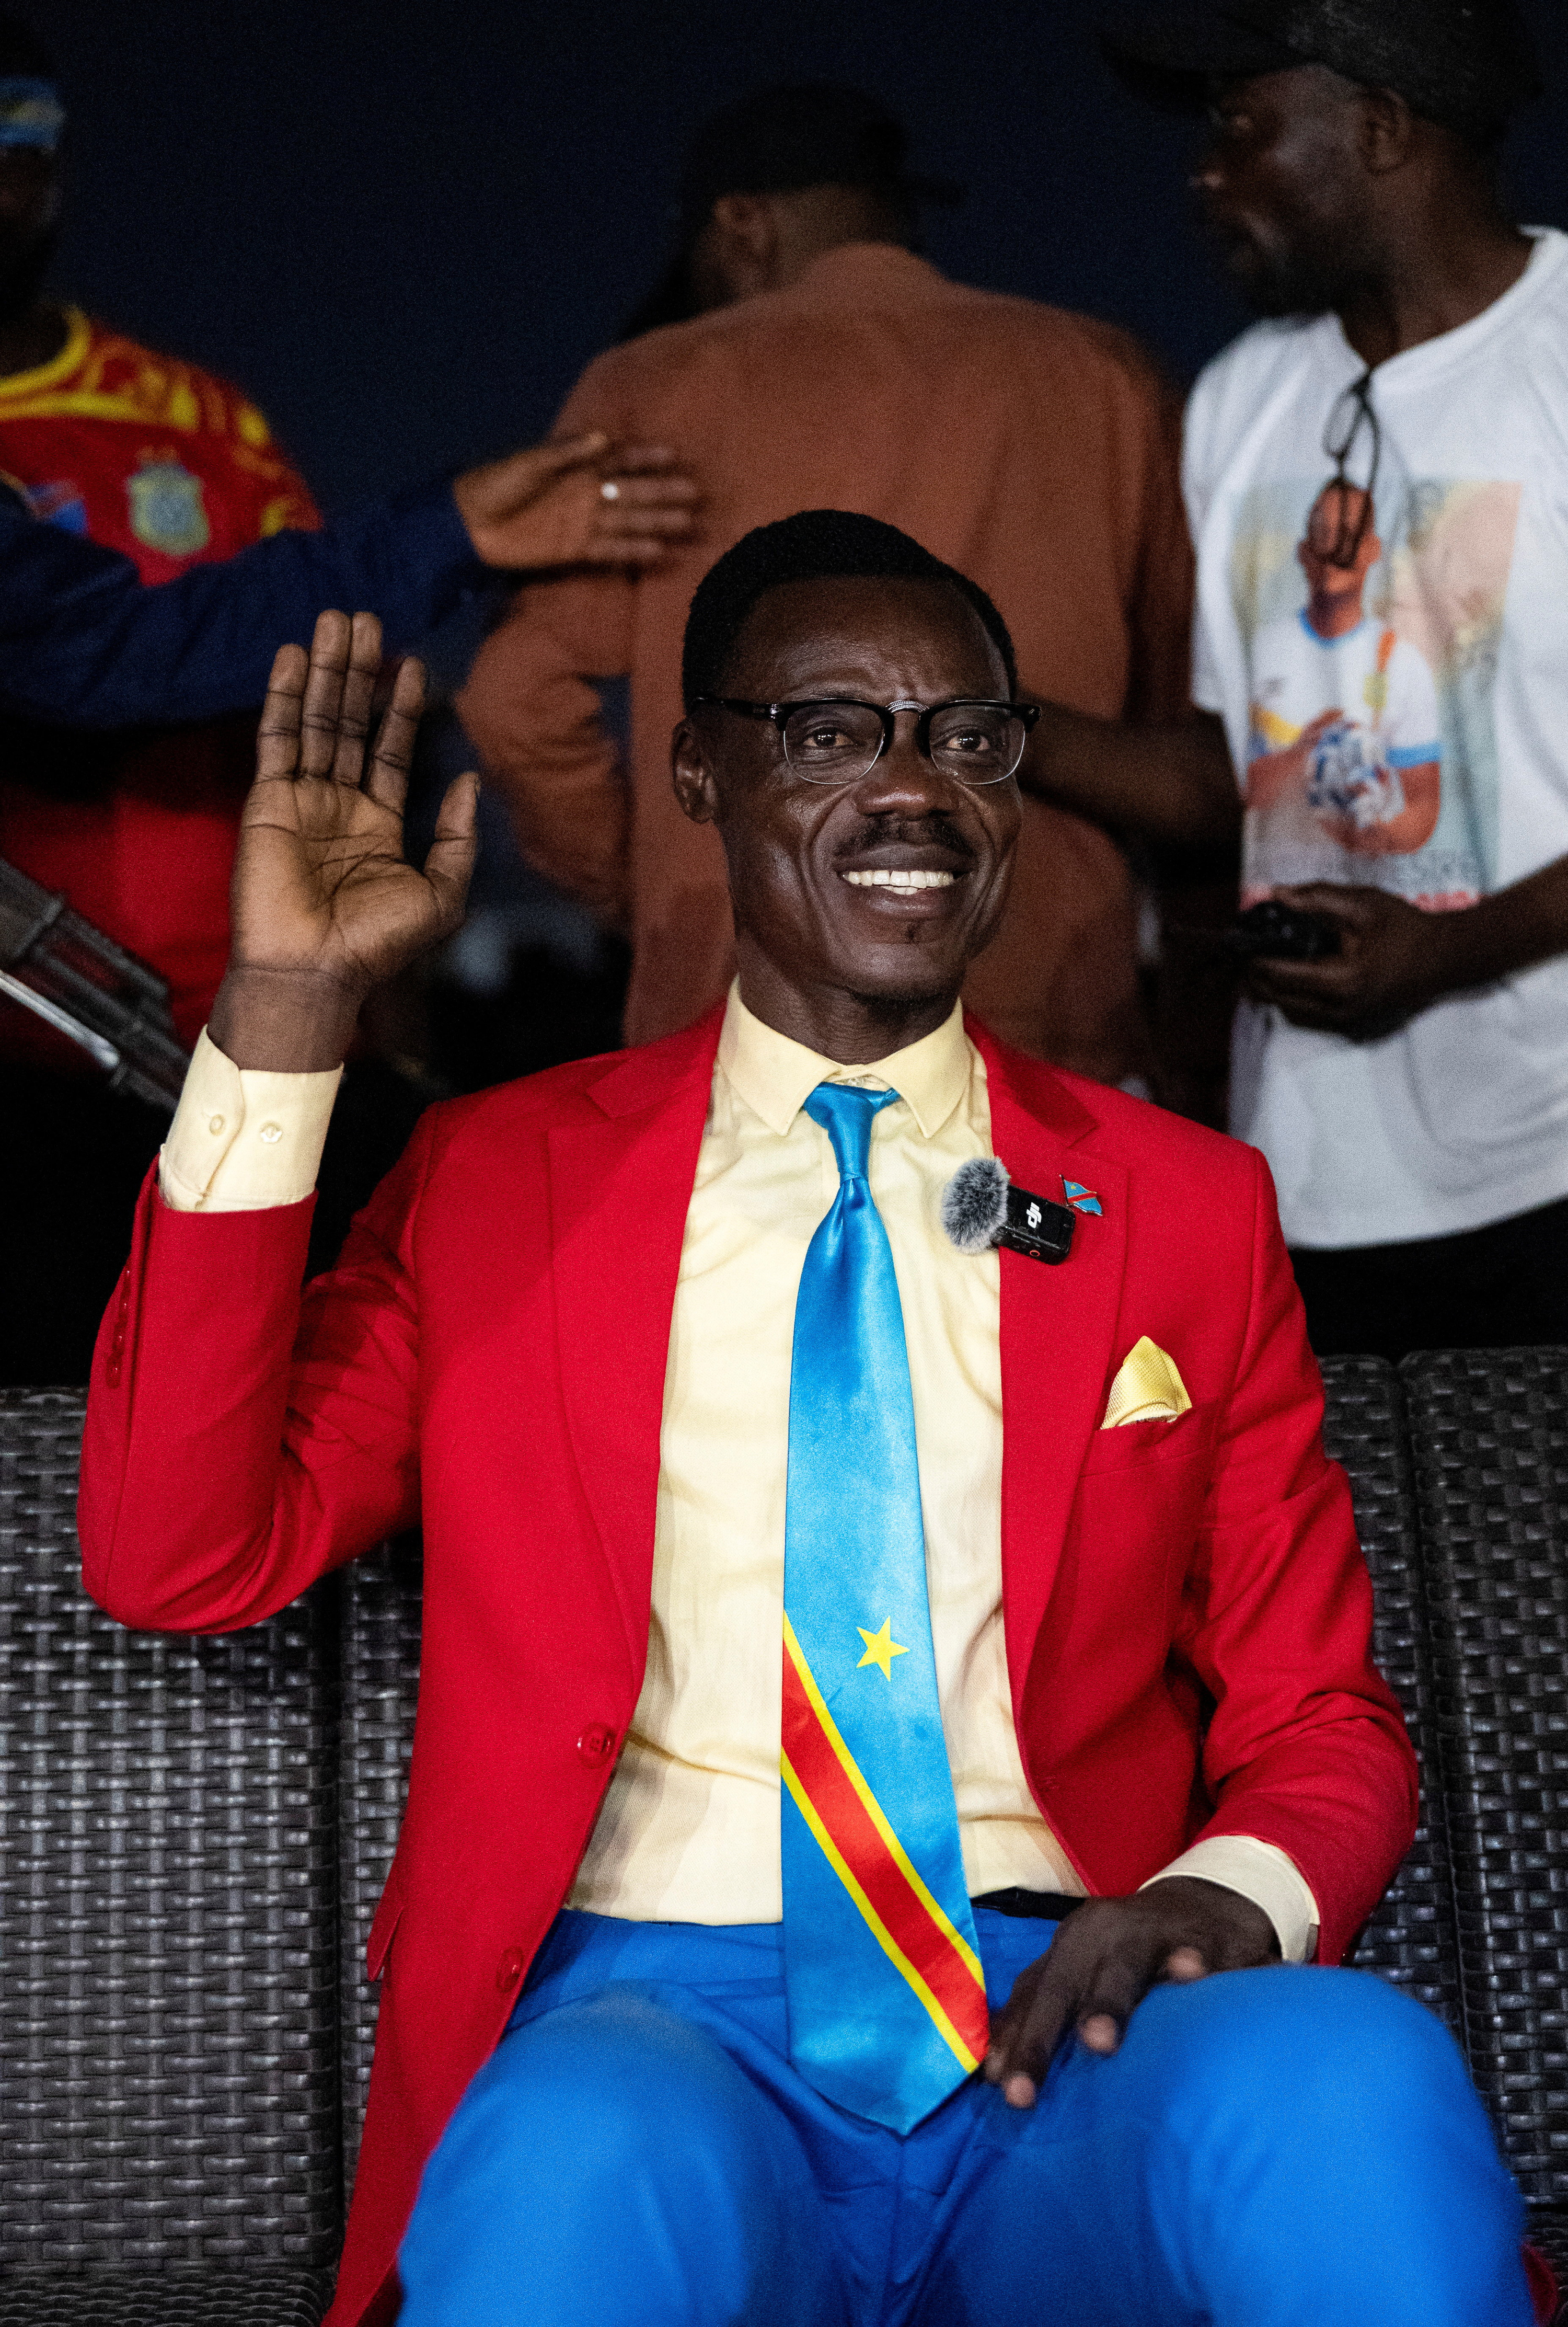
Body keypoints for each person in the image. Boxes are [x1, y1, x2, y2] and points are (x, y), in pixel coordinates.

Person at [79, 510, 1540, 2327]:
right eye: (834, 732)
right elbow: (178, 1554)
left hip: (1067, 2021)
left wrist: (1229, 1897)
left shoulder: (1183, 1208)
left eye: (967, 737)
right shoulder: (497, 1182)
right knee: (569, 2162)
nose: (914, 787)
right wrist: (288, 1011)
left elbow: (1320, 1713)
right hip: (652, 2032)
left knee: (1347, 2077)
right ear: (701, 766)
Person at [0, 22, 697, 1386]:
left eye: (21, 158)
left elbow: (125, 650)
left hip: (224, 1049)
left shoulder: (189, 417)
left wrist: (439, 535)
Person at [457, 83, 1195, 1088]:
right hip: (1046, 1021)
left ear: (741, 224)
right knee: (1037, 1246)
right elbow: (1181, 753)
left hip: (743, 1018)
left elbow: (515, 700)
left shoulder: (650, 388)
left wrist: (655, 890)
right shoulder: (1108, 378)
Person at [1023, 0, 1567, 1359]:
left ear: (1383, 127)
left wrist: (1450, 949)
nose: (1207, 174)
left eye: (1242, 129)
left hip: (1550, 1159)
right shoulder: (1241, 400)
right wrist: (983, 721)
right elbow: (1236, 782)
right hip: (1307, 1186)